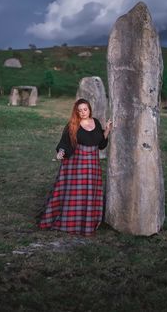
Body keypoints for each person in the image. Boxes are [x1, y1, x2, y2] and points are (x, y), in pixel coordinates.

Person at [38, 98, 112, 236]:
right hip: (76, 165)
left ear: (89, 109)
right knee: (74, 194)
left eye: (85, 109)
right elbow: (64, 143)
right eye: (80, 110)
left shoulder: (95, 122)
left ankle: (88, 223)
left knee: (90, 193)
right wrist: (61, 152)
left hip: (93, 166)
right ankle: (70, 222)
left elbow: (101, 144)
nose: (83, 112)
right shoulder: (72, 125)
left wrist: (107, 130)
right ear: (76, 112)